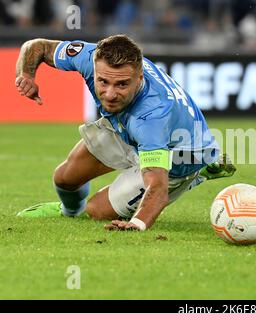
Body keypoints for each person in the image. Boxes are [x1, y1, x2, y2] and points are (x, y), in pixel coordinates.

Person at [14, 35, 235, 231]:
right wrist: (26, 74)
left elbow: (157, 188)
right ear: (94, 66)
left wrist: (137, 223)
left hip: (179, 153)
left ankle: (200, 170)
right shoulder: (89, 57)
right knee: (64, 178)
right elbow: (37, 46)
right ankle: (69, 212)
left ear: (139, 79)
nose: (109, 94)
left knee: (96, 211)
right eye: (103, 81)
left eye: (121, 84)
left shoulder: (152, 116)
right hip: (125, 127)